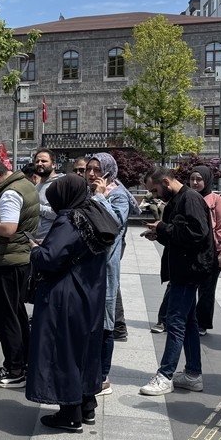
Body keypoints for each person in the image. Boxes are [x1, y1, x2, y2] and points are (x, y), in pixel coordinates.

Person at [26, 174, 121, 432]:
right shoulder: (93, 213)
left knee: (62, 350)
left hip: (65, 295)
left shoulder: (69, 219)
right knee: (85, 350)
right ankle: (86, 405)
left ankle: (69, 412)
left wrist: (35, 250)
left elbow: (51, 257)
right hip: (90, 293)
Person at [138, 167, 213, 396]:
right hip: (184, 268)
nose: (155, 194)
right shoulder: (180, 199)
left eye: (155, 189)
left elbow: (197, 234)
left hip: (189, 270)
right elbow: (180, 234)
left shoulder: (189, 199)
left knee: (175, 321)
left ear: (166, 181)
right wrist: (160, 233)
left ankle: (165, 374)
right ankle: (192, 374)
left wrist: (162, 227)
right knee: (188, 321)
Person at [0, 156, 39, 388]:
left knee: (6, 316)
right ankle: (24, 362)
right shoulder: (25, 183)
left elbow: (8, 228)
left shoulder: (10, 193)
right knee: (16, 313)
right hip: (18, 258)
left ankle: (14, 369)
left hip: (7, 261)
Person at [85, 152, 135, 396]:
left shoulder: (118, 196)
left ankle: (103, 376)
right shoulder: (90, 192)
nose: (92, 174)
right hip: (87, 265)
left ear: (108, 171)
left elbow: (114, 224)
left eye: (97, 169)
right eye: (88, 169)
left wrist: (100, 198)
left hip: (106, 267)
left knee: (105, 323)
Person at [189, 165, 221, 335]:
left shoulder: (216, 200)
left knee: (207, 290)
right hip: (190, 250)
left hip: (211, 251)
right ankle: (178, 319)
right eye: (192, 179)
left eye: (199, 179)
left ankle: (202, 323)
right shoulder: (187, 197)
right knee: (186, 287)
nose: (195, 182)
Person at [33, 148, 61, 242]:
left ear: (54, 164)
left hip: (52, 240)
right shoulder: (37, 186)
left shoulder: (60, 184)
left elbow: (58, 213)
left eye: (44, 161)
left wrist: (36, 207)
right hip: (36, 241)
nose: (39, 163)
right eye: (37, 161)